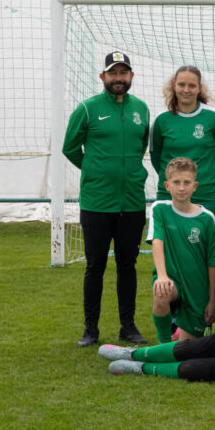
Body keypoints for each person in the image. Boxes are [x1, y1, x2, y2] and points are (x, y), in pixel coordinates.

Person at [62, 51, 150, 346]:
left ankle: (128, 326)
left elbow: (140, 146)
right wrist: (95, 171)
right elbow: (70, 147)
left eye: (123, 73)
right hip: (97, 203)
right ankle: (91, 329)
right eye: (113, 73)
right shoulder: (87, 109)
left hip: (132, 203)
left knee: (128, 265)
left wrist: (130, 175)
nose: (118, 78)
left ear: (131, 76)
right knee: (95, 266)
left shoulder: (142, 109)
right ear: (103, 76)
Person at [147, 158, 215, 343]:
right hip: (171, 279)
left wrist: (213, 300)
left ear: (195, 186)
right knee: (161, 292)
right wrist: (162, 276)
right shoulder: (159, 209)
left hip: (197, 290)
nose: (181, 188)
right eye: (176, 182)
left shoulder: (207, 219)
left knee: (186, 350)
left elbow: (213, 262)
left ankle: (179, 334)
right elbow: (157, 241)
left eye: (187, 183)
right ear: (167, 185)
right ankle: (163, 344)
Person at [150, 65, 215, 227]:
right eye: (181, 85)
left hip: (207, 195)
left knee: (210, 242)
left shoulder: (213, 117)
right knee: (167, 242)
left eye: (192, 86)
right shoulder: (161, 119)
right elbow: (156, 156)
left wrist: (207, 175)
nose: (186, 90)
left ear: (199, 88)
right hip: (169, 196)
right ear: (174, 86)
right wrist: (174, 180)